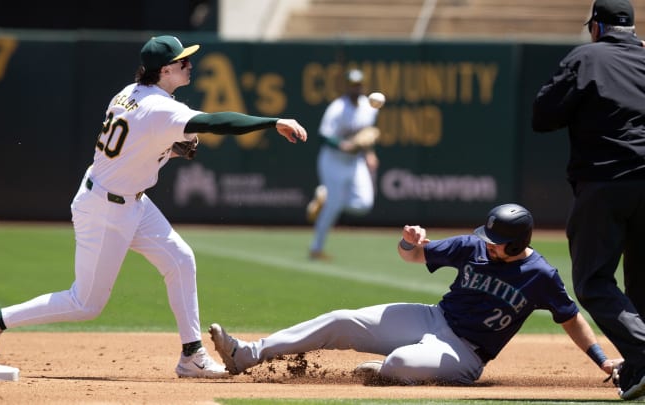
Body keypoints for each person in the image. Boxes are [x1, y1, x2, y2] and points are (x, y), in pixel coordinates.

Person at [0, 34, 308, 379]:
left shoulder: (129, 93)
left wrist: (170, 150)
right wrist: (272, 122)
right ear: (164, 70)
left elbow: (133, 145)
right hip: (106, 210)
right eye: (182, 61)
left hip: (130, 201)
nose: (189, 64)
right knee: (86, 304)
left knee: (180, 259)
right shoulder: (161, 107)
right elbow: (215, 122)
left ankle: (192, 355)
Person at [209, 203, 621, 385]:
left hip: (468, 353)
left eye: (497, 241)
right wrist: (410, 242)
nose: (488, 244)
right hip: (432, 318)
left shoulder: (540, 275)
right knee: (340, 319)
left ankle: (391, 371)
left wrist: (602, 360)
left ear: (517, 244)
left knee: (400, 364)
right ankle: (247, 354)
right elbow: (413, 257)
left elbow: (571, 317)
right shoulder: (472, 246)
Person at [531, 0, 645, 400]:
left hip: (606, 179)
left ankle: (643, 354)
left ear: (596, 26)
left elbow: (543, 115)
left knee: (594, 280)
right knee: (641, 285)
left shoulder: (587, 57)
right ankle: (637, 371)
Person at [306, 68, 380, 260]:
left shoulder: (367, 107)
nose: (356, 88)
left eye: (359, 84)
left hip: (355, 162)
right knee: (333, 206)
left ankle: (325, 197)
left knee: (364, 204)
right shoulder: (337, 108)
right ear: (347, 86)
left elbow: (365, 135)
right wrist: (343, 145)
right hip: (333, 161)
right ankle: (316, 248)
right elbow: (323, 135)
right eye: (352, 84)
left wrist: (370, 153)